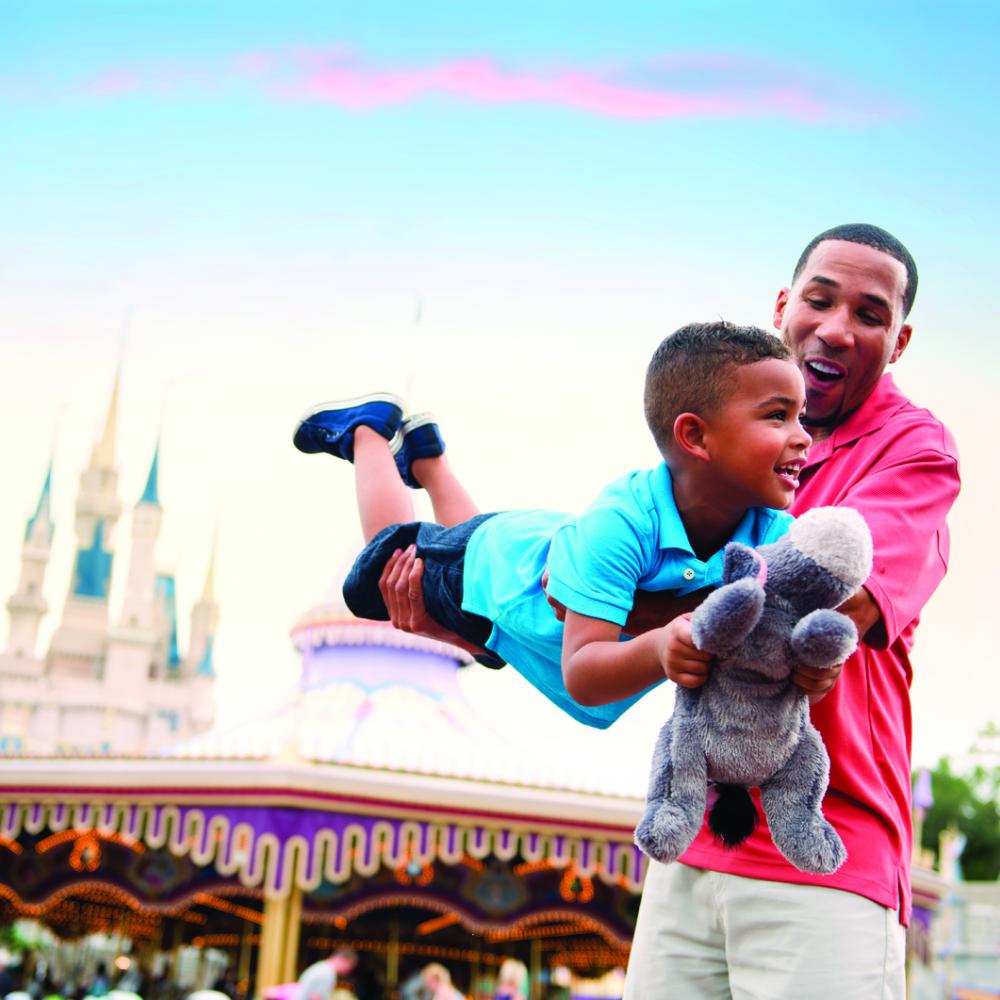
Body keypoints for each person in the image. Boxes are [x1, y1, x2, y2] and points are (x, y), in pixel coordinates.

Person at [372, 224, 961, 998]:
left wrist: (614, 611)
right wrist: (484, 630)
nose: (838, 328)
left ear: (901, 339)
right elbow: (597, 610)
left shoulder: (912, 449)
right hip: (694, 832)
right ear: (783, 306)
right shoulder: (719, 424)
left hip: (827, 847)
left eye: (871, 314)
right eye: (819, 300)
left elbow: (821, 595)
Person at [293, 322, 814, 728]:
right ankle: (366, 429)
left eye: (801, 417)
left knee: (473, 555)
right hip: (499, 566)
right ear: (697, 438)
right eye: (777, 416)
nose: (803, 437)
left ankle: (429, 461)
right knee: (391, 569)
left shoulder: (773, 535)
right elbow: (584, 672)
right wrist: (659, 646)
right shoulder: (623, 523)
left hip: (515, 568)